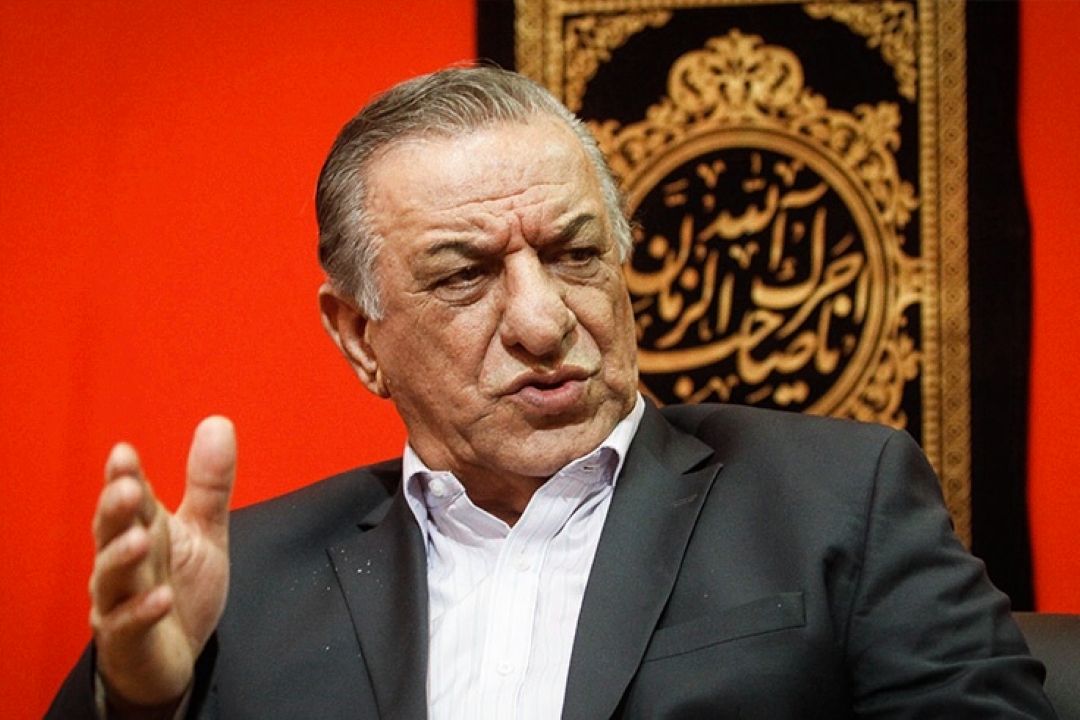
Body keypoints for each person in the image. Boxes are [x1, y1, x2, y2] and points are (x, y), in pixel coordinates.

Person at [49, 66, 1055, 719]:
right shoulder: (239, 585)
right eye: (465, 274)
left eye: (575, 254)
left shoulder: (837, 499)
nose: (543, 321)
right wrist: (137, 703)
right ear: (360, 338)